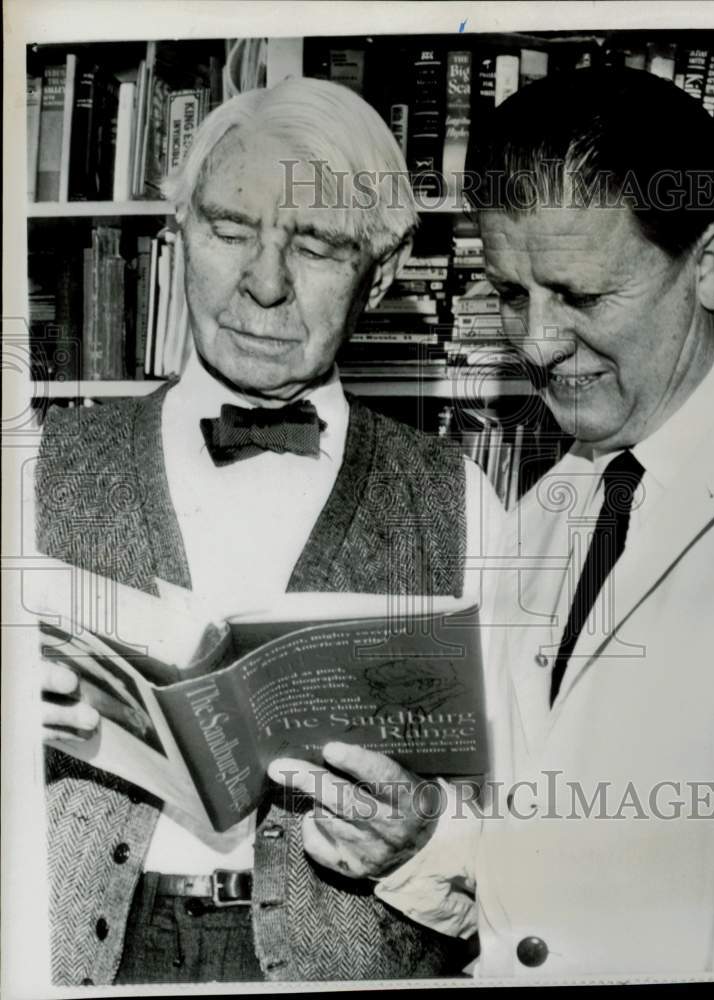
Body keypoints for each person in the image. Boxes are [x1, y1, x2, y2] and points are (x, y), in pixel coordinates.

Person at [270, 68, 714, 979]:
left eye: (580, 297)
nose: (538, 344)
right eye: (512, 294)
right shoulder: (554, 504)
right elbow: (544, 865)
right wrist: (422, 841)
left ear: (707, 262)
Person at [34, 77, 499, 985]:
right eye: (231, 229)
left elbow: (532, 825)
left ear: (386, 268)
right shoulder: (35, 464)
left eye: (317, 244)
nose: (264, 284)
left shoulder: (463, 498)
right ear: (177, 235)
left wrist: (429, 834)